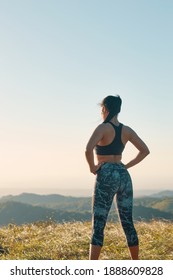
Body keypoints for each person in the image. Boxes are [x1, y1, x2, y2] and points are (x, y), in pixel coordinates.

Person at [85, 95, 150, 260]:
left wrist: (93, 167)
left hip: (106, 174)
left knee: (98, 224)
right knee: (128, 222)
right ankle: (136, 264)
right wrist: (125, 166)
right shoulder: (126, 130)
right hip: (123, 175)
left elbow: (88, 149)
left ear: (105, 109)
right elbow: (145, 150)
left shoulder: (102, 128)